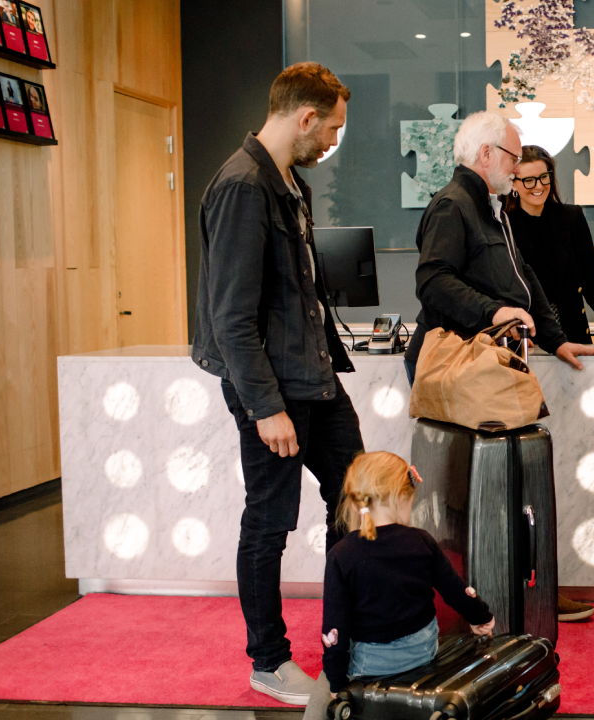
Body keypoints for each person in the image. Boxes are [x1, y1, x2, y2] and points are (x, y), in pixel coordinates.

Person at [190, 62, 363, 705]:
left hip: (315, 377)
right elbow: (230, 318)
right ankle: (268, 659)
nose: (335, 143)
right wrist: (265, 407)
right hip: (273, 390)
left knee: (358, 502)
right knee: (270, 523)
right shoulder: (241, 185)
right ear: (306, 117)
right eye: (334, 129)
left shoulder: (293, 185)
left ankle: (349, 638)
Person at [406, 111, 594, 385]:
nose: (516, 169)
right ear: (486, 154)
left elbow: (523, 276)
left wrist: (557, 342)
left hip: (481, 359)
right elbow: (433, 281)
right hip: (451, 363)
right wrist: (495, 312)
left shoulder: (493, 209)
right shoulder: (452, 205)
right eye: (514, 159)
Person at [303, 452, 495, 716]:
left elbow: (335, 627)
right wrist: (481, 616)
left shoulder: (341, 554)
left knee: (323, 687)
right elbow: (455, 589)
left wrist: (337, 684)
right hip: (423, 653)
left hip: (371, 667)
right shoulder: (422, 541)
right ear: (401, 498)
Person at [504, 145, 594, 345]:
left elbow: (591, 279)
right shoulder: (504, 224)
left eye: (544, 177)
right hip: (529, 338)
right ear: (513, 184)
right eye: (528, 180)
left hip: (573, 333)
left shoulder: (571, 217)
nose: (538, 186)